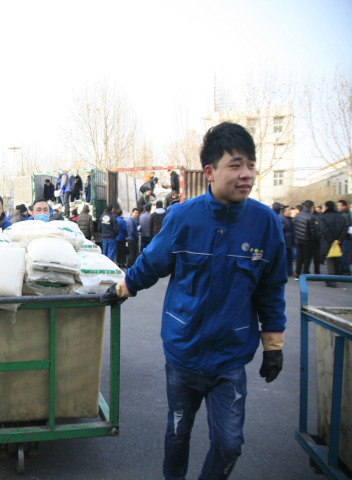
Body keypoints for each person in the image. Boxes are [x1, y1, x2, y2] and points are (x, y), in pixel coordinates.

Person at [101, 122, 287, 480]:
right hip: (184, 353)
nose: (246, 174)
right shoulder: (184, 217)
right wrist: (123, 289)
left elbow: (271, 288)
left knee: (229, 444)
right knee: (177, 433)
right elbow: (152, 262)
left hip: (230, 357)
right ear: (210, 172)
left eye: (251, 165)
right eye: (236, 165)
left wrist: (273, 346)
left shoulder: (265, 224)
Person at [320, 201, 347, 287]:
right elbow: (345, 229)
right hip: (338, 242)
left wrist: (331, 240)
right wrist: (340, 239)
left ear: (326, 207)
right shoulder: (341, 217)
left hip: (328, 242)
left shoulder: (323, 217)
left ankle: (332, 281)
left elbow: (324, 230)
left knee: (330, 261)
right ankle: (333, 278)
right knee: (336, 260)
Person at [294, 200, 321, 279]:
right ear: (312, 207)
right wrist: (315, 239)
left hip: (299, 238)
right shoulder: (311, 217)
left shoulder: (298, 215)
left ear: (304, 206)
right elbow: (313, 231)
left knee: (299, 256)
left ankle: (297, 272)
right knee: (307, 257)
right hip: (308, 240)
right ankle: (305, 272)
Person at [337, 200, 351, 276]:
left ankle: (346, 270)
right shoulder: (340, 214)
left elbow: (345, 227)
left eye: (339, 205)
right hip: (341, 237)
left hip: (345, 237)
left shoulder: (346, 215)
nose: (338, 207)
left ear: (344, 206)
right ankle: (341, 269)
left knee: (343, 254)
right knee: (340, 254)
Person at [281, 206, 295, 277]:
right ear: (284, 212)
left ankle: (290, 271)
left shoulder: (290, 219)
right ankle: (284, 272)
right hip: (285, 241)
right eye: (288, 211)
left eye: (290, 211)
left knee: (290, 257)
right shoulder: (282, 220)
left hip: (290, 241)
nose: (289, 212)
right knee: (285, 258)